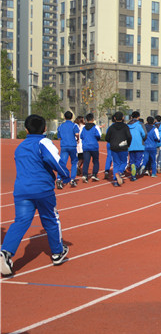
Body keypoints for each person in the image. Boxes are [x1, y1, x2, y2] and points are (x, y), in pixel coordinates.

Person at [1, 115, 71, 276]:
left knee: (20, 221)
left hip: (21, 190)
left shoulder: (20, 147)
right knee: (51, 219)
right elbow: (53, 159)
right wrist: (65, 175)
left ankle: (5, 252)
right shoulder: (44, 142)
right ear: (45, 128)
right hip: (42, 189)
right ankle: (57, 252)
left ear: (26, 129)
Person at [105, 111, 132, 187]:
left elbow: (107, 138)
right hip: (123, 147)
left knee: (116, 163)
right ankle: (119, 173)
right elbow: (129, 137)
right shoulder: (125, 127)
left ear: (114, 118)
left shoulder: (111, 127)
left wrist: (112, 141)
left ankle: (115, 181)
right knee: (124, 162)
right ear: (123, 118)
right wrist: (128, 144)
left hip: (114, 147)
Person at [56, 110, 80, 188]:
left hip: (64, 146)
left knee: (62, 163)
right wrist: (77, 139)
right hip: (72, 146)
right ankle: (72, 179)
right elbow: (77, 134)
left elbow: (59, 137)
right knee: (74, 162)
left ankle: (59, 178)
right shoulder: (74, 125)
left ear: (64, 117)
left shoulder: (61, 126)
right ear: (72, 117)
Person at [80, 113, 102, 182]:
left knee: (86, 162)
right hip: (94, 146)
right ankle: (94, 174)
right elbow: (98, 136)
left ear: (86, 120)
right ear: (93, 119)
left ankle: (85, 175)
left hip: (86, 147)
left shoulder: (84, 128)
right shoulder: (95, 127)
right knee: (95, 161)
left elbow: (81, 136)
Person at [127, 111, 147, 181]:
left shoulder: (127, 125)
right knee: (139, 160)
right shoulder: (140, 124)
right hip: (139, 145)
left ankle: (133, 176)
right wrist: (143, 139)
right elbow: (144, 134)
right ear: (138, 117)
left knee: (132, 160)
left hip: (130, 145)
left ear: (131, 117)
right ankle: (136, 167)